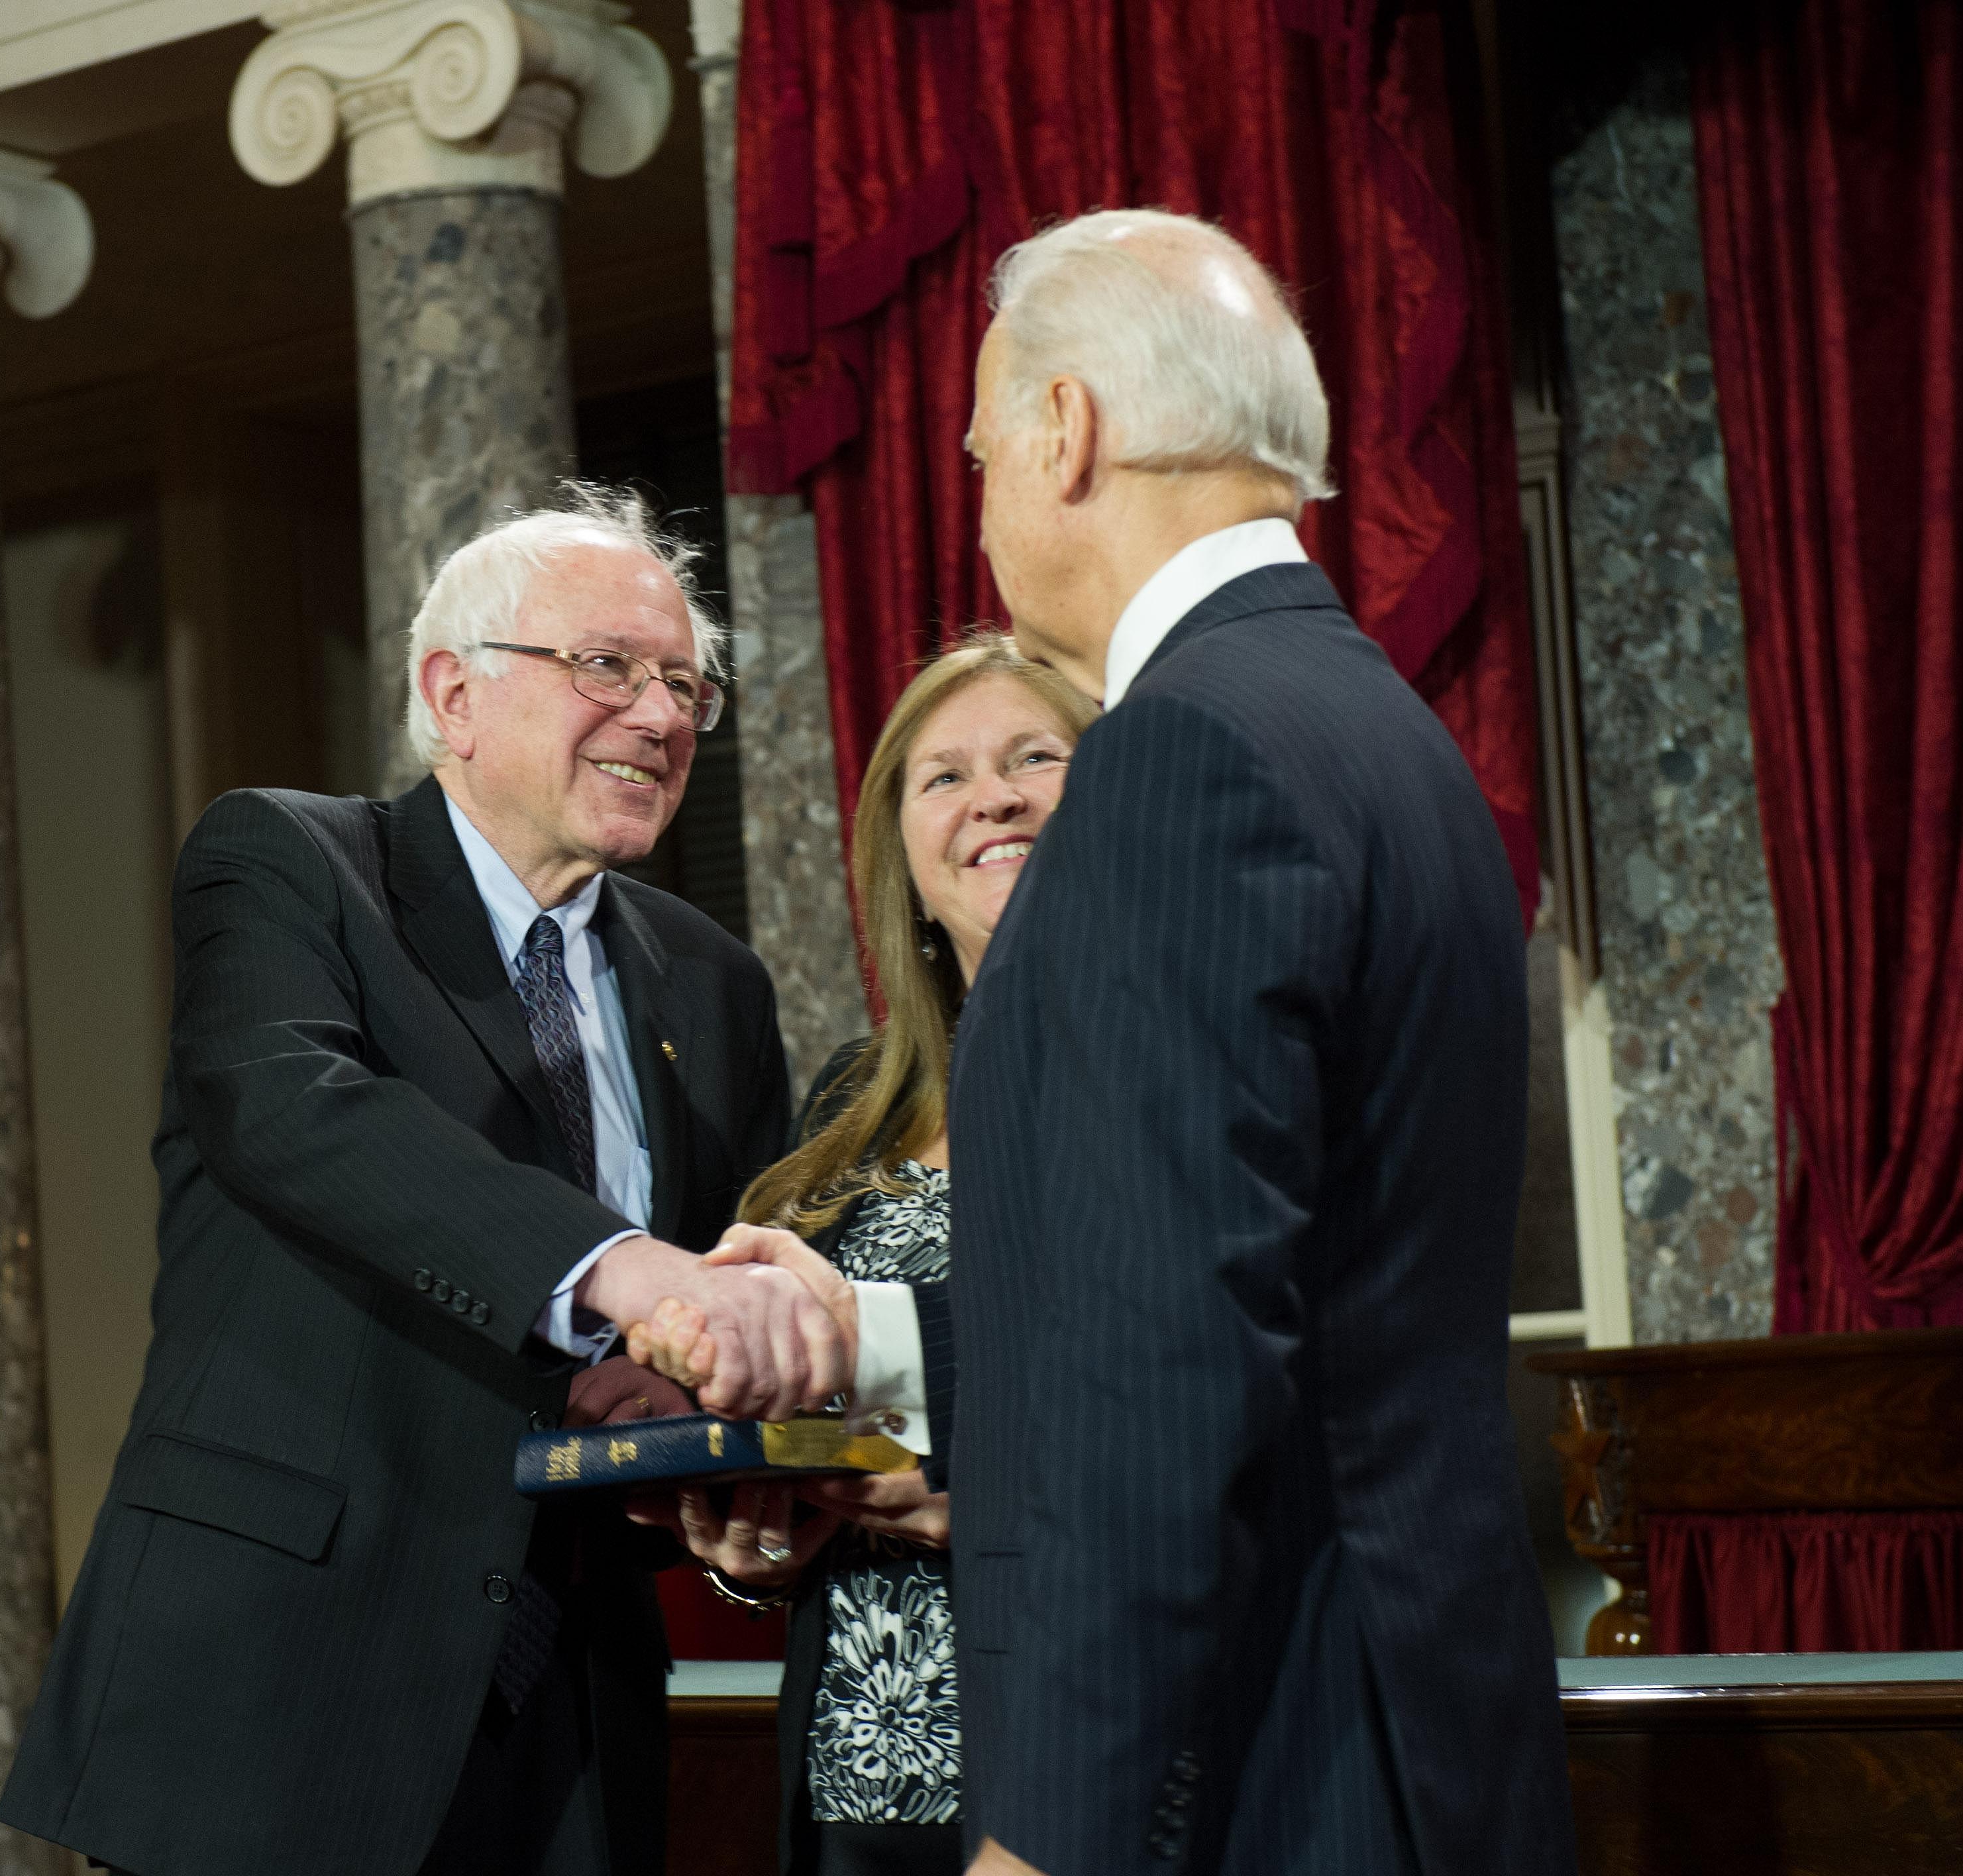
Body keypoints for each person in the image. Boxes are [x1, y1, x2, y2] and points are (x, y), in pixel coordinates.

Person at [659, 209, 1578, 1876]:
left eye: (983, 443)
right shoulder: (1383, 730)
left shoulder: (1181, 758)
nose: (986, 492)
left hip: (1270, 1759)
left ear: (1067, 430)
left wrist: (1047, 1843)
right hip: (1423, 1731)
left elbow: (1160, 1366)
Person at [0, 484, 853, 1876]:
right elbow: (299, 1111)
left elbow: (708, 1302)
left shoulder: (715, 979)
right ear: (454, 693)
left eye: (686, 681)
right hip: (284, 1685)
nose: (661, 715)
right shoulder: (287, 866)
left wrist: (718, 1475)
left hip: (570, 1712)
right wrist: (616, 1274)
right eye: (608, 668)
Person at [639, 637, 1096, 1876]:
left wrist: (974, 1509)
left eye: (1034, 758)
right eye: (939, 778)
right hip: (860, 1772)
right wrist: (757, 1543)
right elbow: (823, 1430)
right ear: (901, 853)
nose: (990, 796)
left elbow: (1159, 1392)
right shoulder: (852, 1097)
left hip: (1083, 1762)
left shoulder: (1167, 1078)